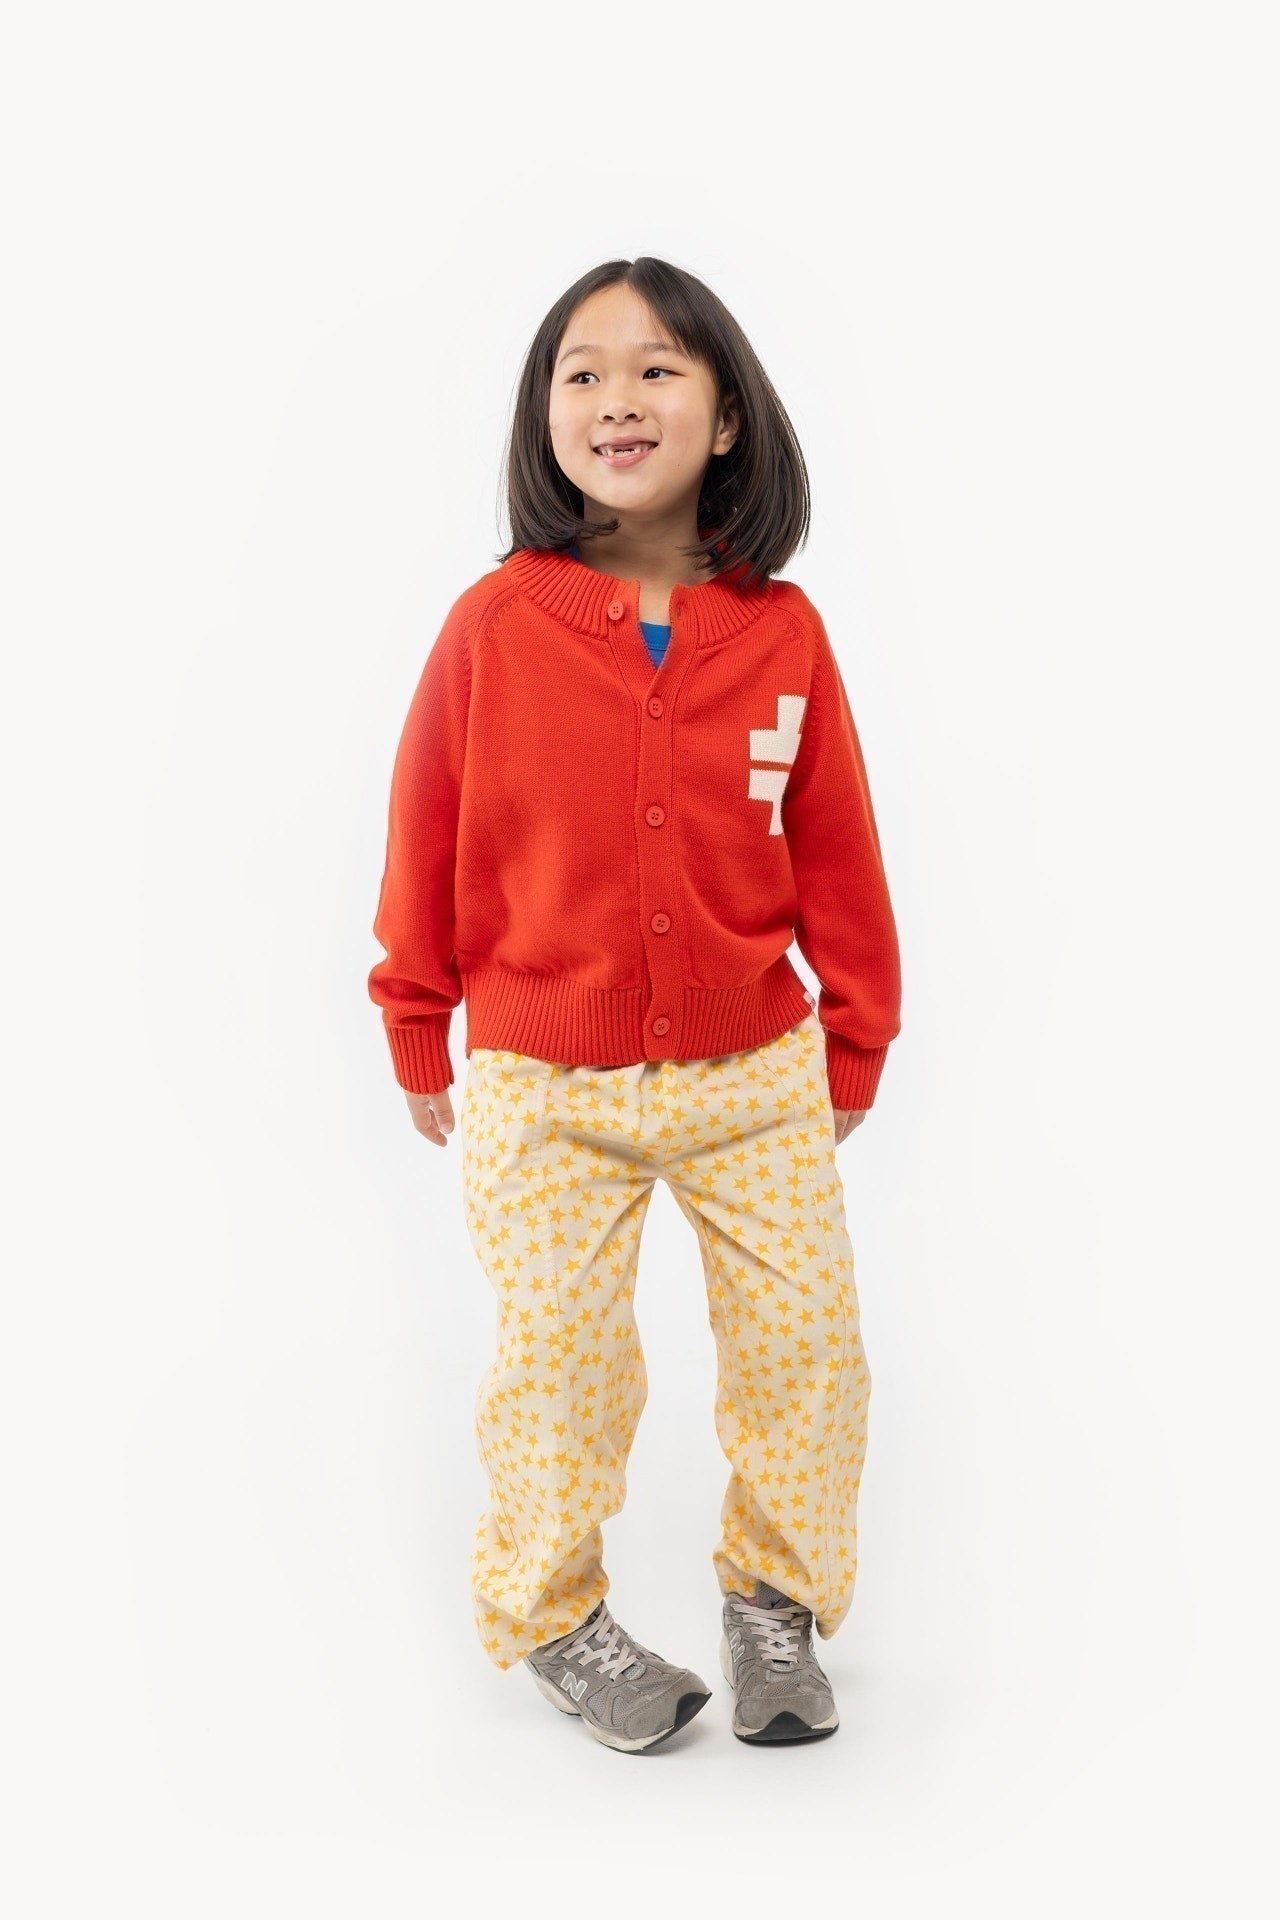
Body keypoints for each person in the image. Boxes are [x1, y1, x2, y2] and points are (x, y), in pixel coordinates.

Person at [368, 256, 902, 1753]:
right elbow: (425, 822)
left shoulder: (784, 633)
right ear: (544, 417)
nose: (618, 397)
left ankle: (775, 1607)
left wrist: (857, 1028)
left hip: (757, 1070)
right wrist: (415, 1011)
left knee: (811, 1350)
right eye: (583, 372)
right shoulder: (496, 625)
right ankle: (555, 1619)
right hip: (544, 1076)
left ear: (727, 418)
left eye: (658, 368)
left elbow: (838, 842)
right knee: (560, 1363)